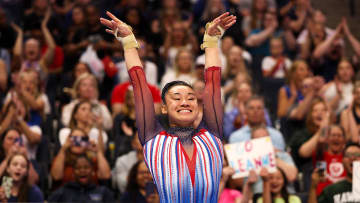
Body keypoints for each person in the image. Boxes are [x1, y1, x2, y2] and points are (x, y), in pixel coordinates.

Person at [100, 11, 236, 202]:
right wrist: (128, 43)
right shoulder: (153, 139)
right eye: (176, 97)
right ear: (163, 108)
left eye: (191, 98)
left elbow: (213, 82)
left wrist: (211, 42)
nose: (185, 102)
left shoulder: (211, 135)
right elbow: (139, 86)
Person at [48, 155, 115, 202]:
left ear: (92, 171)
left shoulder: (103, 192)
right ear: (73, 173)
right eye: (78, 168)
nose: (82, 170)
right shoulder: (62, 192)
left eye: (86, 167)